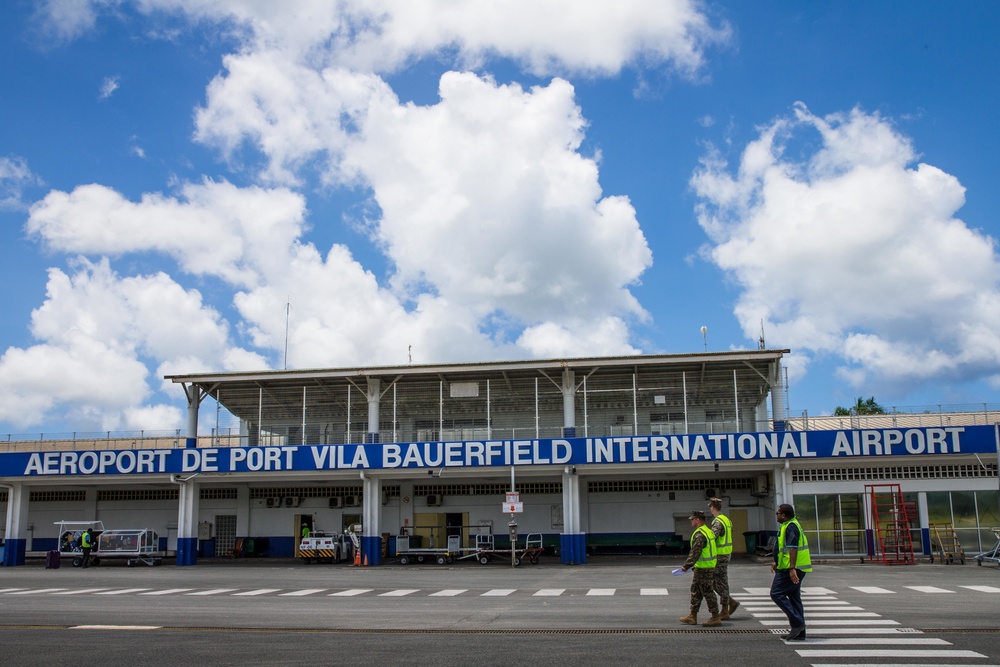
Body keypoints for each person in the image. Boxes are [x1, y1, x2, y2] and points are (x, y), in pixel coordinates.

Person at [770, 503, 812, 641]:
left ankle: (798, 622)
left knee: (776, 593)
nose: (776, 515)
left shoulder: (791, 526)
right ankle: (800, 632)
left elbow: (793, 548)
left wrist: (792, 568)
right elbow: (784, 549)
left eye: (778, 513)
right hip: (788, 566)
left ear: (783, 515)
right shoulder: (787, 525)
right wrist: (777, 561)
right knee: (794, 597)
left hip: (793, 568)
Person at [678, 510, 722, 627]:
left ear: (697, 520)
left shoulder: (700, 534)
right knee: (696, 591)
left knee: (707, 591)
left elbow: (695, 553)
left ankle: (715, 617)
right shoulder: (708, 531)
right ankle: (692, 616)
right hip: (703, 568)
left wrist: (686, 566)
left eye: (692, 519)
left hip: (704, 569)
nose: (691, 521)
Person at [708, 497, 739, 619]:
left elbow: (712, 537)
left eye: (710, 506)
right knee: (717, 583)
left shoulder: (718, 521)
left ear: (712, 507)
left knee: (720, 583)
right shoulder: (726, 520)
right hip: (725, 554)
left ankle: (725, 609)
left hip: (720, 556)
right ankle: (730, 603)